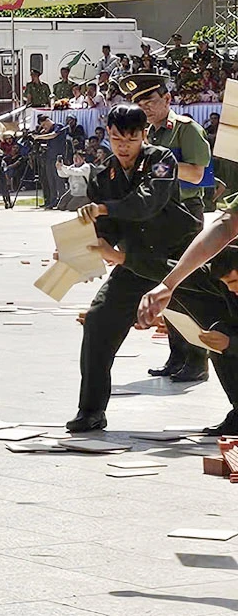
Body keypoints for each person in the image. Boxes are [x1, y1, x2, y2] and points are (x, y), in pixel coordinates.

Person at [66, 105, 208, 433]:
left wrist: (102, 209)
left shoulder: (161, 160)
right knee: (99, 323)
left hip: (176, 259)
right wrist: (81, 246)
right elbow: (109, 227)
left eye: (131, 138)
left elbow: (147, 203)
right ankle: (91, 411)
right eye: (116, 138)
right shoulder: (103, 175)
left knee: (219, 325)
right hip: (136, 261)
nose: (123, 146)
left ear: (145, 134)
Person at [129, 73, 213, 383]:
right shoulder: (148, 135)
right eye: (141, 104)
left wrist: (161, 165)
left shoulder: (186, 130)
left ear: (167, 99)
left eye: (150, 102)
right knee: (168, 291)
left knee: (188, 289)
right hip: (161, 215)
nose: (146, 109)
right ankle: (177, 355)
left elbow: (198, 175)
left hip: (186, 214)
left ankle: (197, 359)